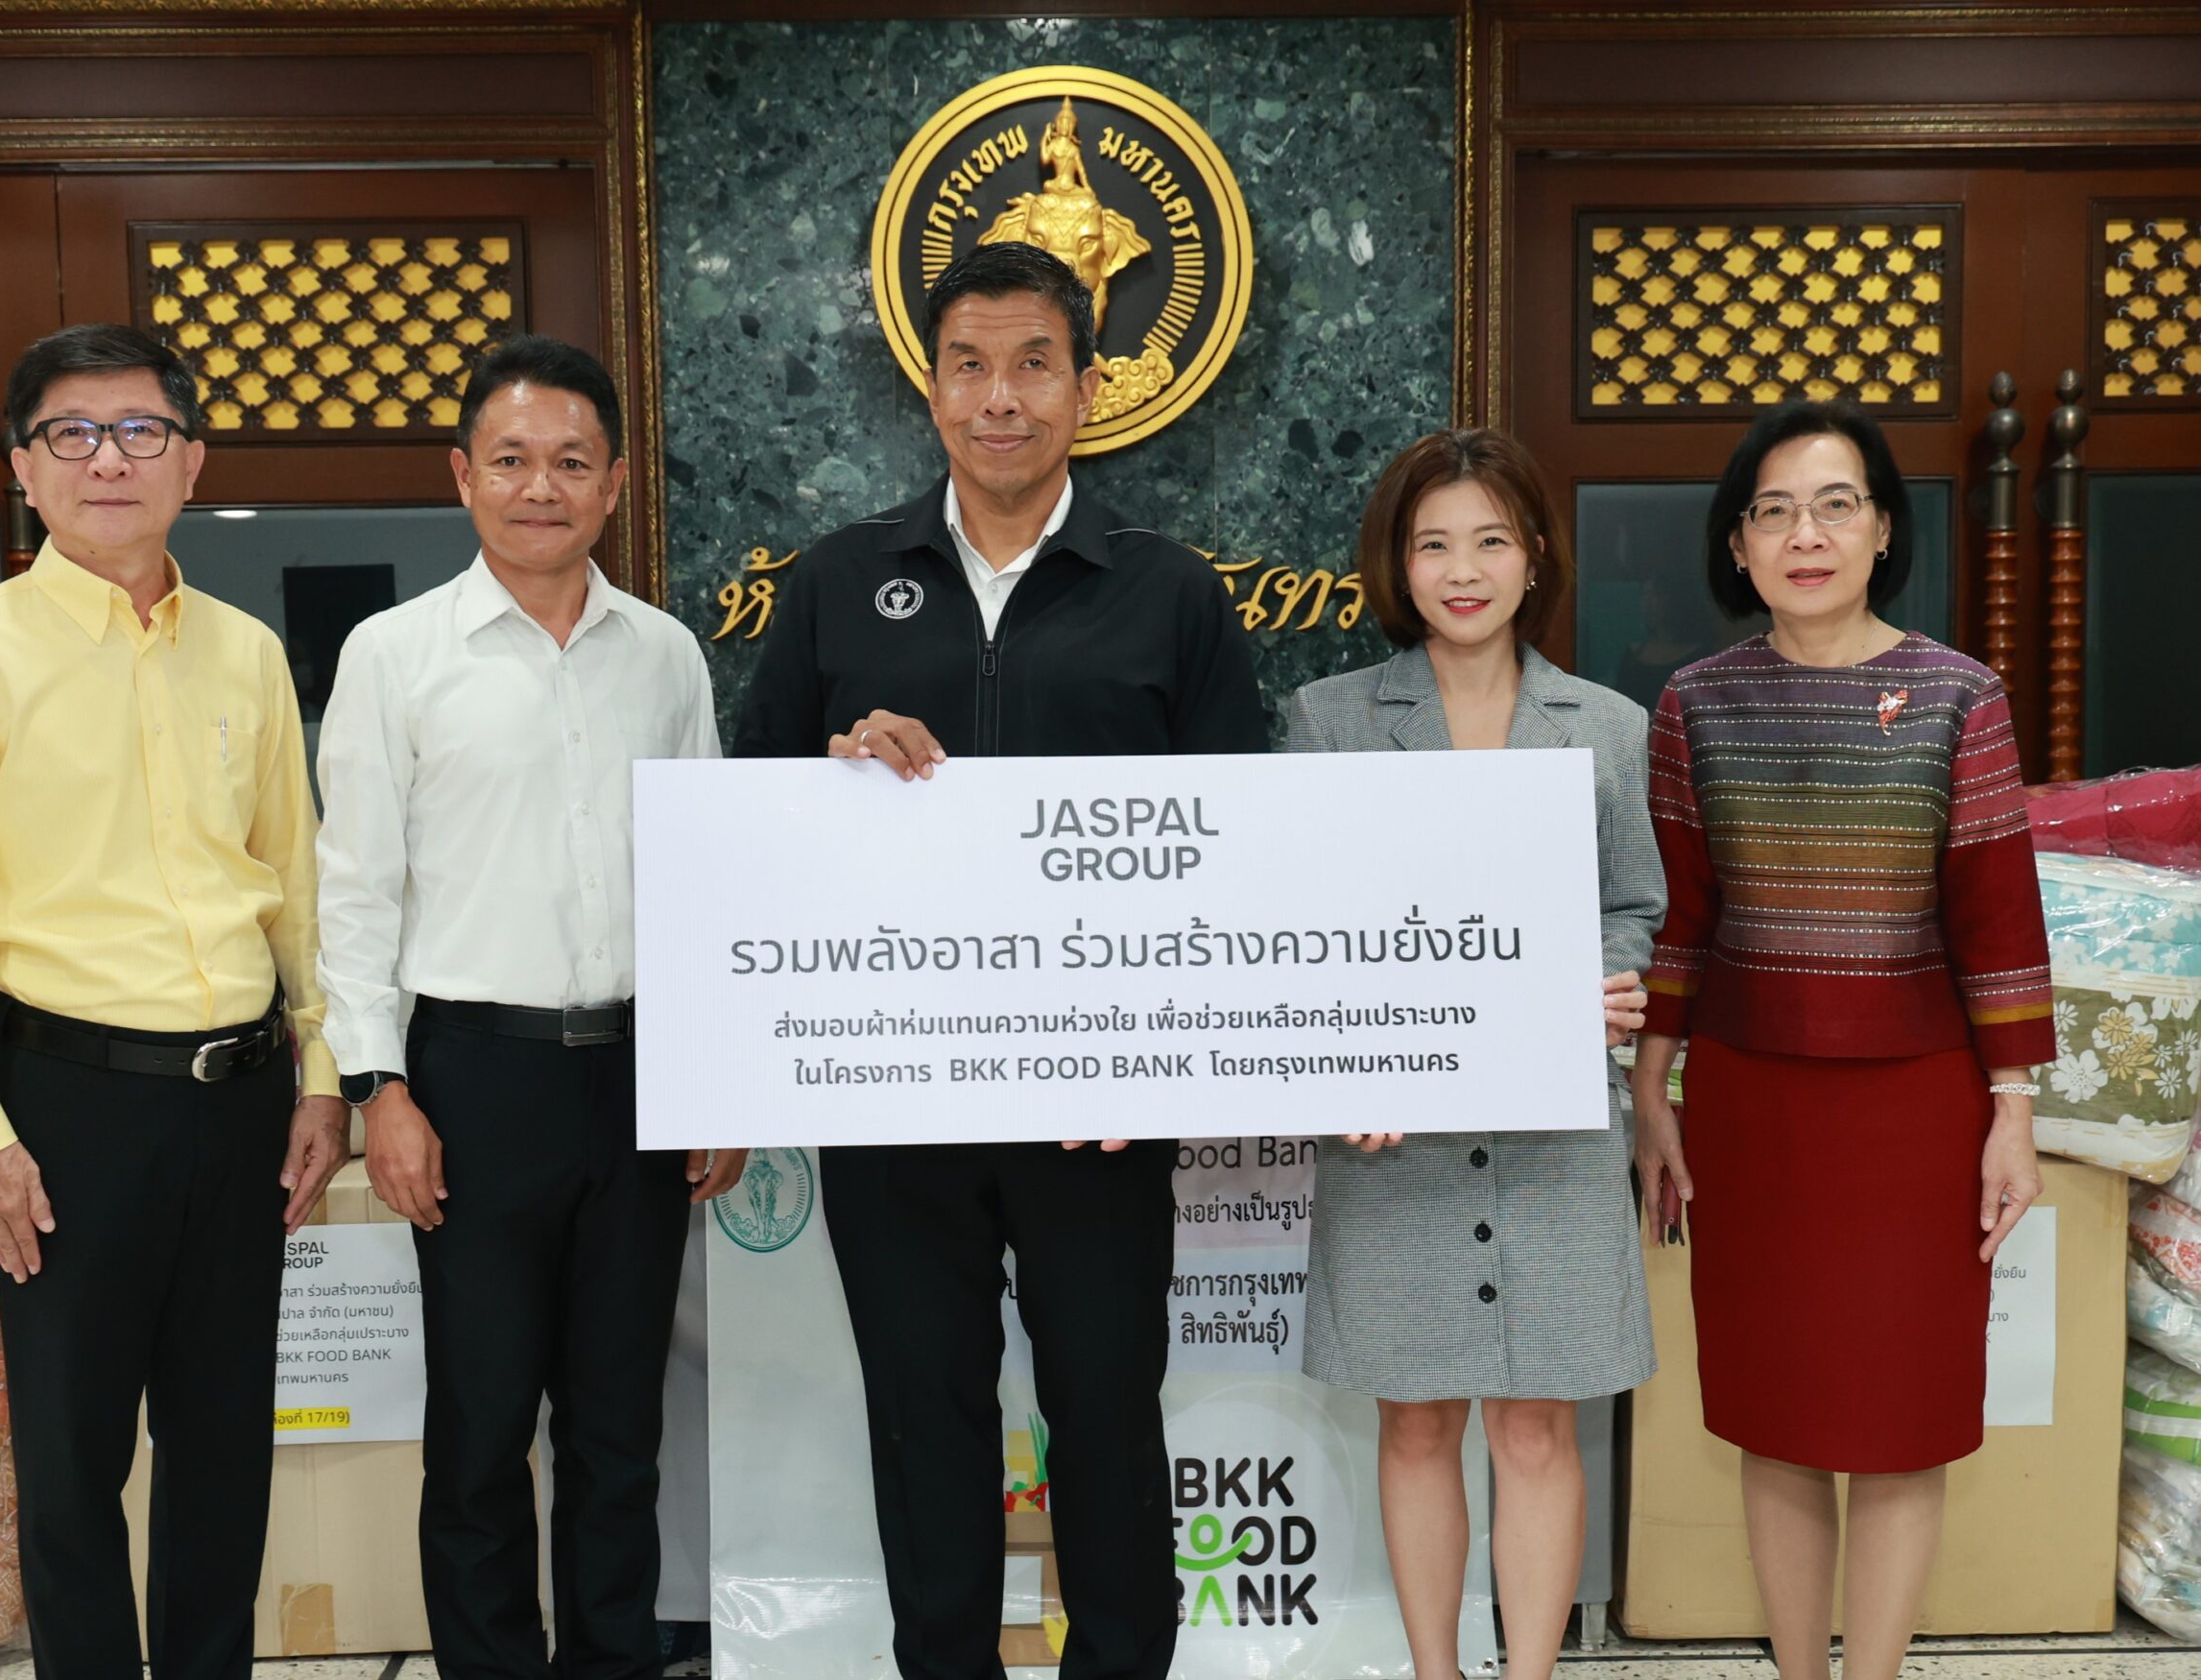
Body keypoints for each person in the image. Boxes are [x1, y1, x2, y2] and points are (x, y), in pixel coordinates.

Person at [731, 240, 1265, 1680]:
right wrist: (836, 769)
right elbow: (752, 823)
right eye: (968, 365)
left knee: (1107, 1410)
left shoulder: (1170, 593)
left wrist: (1166, 1055)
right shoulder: (839, 583)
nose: (1000, 397)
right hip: (893, 1099)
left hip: (1102, 1105)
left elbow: (1240, 846)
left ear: (1088, 387)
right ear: (931, 389)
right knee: (925, 1419)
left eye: (1034, 363)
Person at [0, 323, 348, 1679]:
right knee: (73, 1462)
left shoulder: (245, 653)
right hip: (67, 1107)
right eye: (71, 434)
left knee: (225, 1447)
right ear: (24, 469)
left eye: (142, 430)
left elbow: (296, 886)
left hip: (243, 1103)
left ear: (192, 462)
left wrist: (322, 1073)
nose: (109, 460)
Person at [316, 334, 742, 1680]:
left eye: (570, 461)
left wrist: (714, 1075)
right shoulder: (394, 656)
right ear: (463, 475)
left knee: (620, 1431)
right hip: (470, 1080)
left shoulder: (665, 656)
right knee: (482, 1428)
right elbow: (354, 892)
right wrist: (380, 1088)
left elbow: (705, 877)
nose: (539, 487)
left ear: (614, 483)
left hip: (636, 1074)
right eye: (510, 459)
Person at [1629, 399, 2055, 1680]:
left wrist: (2013, 1113)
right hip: (1750, 1108)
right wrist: (1652, 1091)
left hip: (1915, 1112)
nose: (1803, 535)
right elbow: (1681, 920)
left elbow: (1996, 919)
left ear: (1881, 530)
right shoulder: (1695, 704)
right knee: (1777, 1413)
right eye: (1772, 511)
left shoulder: (1960, 696)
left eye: (1833, 506)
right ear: (1738, 545)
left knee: (1902, 1419)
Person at [1282, 428, 1661, 1680]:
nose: (1462, 570)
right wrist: (1343, 1060)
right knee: (1415, 1423)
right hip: (1396, 1141)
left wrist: (1609, 979)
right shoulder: (1329, 722)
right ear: (1397, 563)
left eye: (1490, 541)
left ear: (1534, 556)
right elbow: (1297, 920)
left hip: (1555, 1135)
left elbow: (1634, 905)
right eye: (1433, 543)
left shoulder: (1607, 726)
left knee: (1538, 1427)